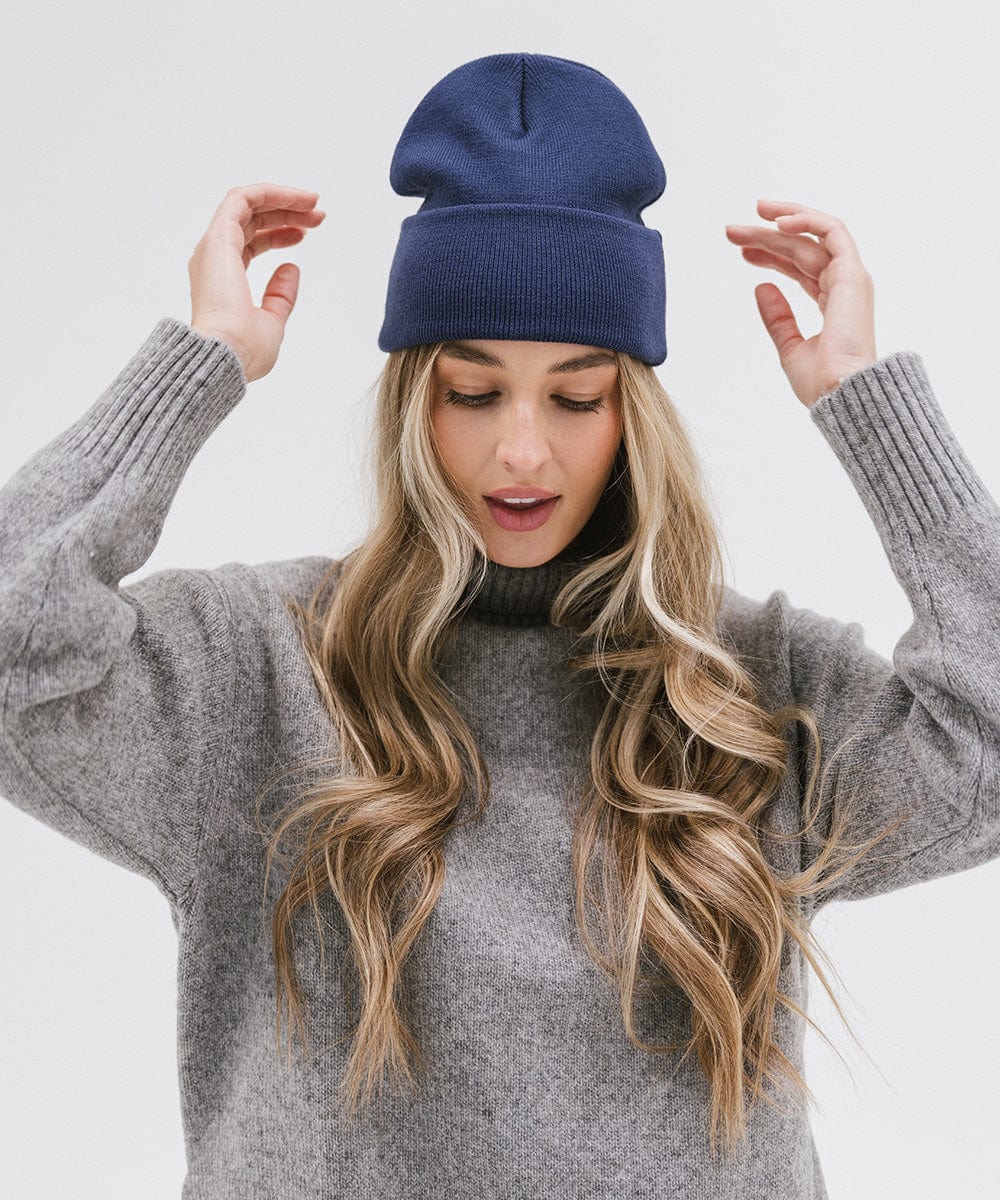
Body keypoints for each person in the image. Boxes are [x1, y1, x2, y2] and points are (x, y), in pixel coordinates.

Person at [1, 51, 997, 1199]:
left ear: (636, 417)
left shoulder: (750, 692)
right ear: (412, 396)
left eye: (576, 397)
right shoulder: (260, 670)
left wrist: (867, 404)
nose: (522, 450)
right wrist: (198, 364)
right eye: (472, 392)